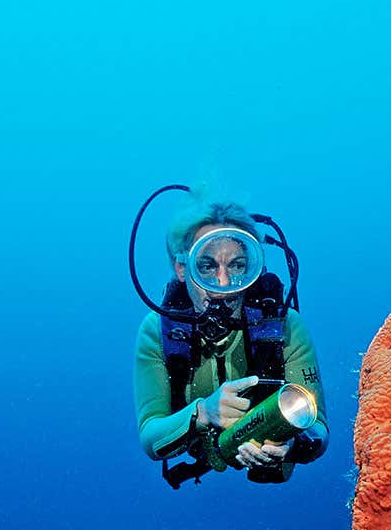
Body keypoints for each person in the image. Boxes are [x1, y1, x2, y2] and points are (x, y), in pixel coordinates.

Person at [133, 192, 328, 485]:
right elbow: (151, 437)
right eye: (208, 266)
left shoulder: (284, 325)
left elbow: (319, 429)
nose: (223, 284)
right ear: (182, 268)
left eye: (237, 266)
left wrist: (292, 444)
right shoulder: (157, 331)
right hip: (198, 445)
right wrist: (204, 413)